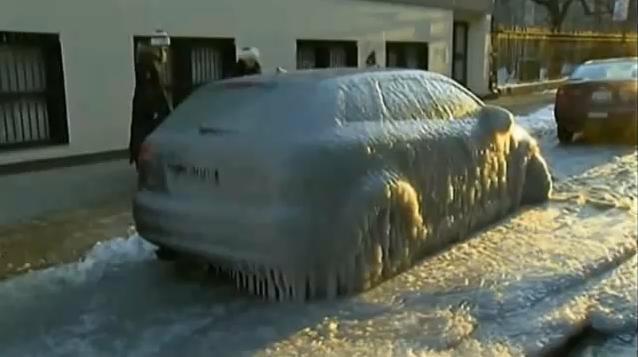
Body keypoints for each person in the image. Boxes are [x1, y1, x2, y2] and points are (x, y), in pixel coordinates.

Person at [129, 31, 173, 169]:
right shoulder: (148, 82)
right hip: (149, 133)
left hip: (146, 134)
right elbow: (150, 108)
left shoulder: (149, 81)